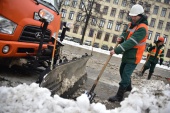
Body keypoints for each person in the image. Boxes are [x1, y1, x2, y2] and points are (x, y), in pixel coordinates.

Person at [108, 4, 148, 102]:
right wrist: (121, 37)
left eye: (135, 16)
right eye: (132, 16)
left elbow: (131, 42)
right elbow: (125, 33)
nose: (133, 17)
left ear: (140, 16)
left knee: (125, 74)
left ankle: (119, 96)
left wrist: (116, 50)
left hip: (134, 56)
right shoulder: (131, 24)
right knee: (122, 70)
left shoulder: (142, 28)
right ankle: (128, 87)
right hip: (127, 54)